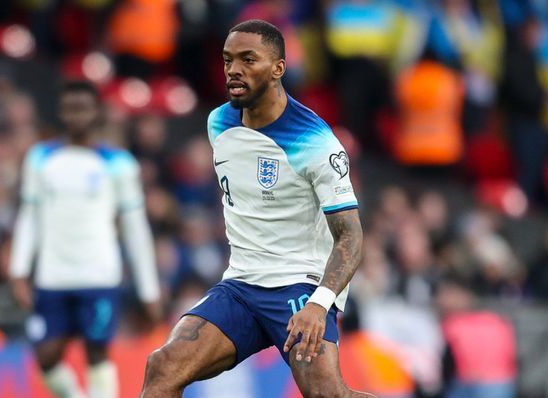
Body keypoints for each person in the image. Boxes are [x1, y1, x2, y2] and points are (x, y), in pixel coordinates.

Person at [141, 20, 374, 398]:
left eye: (249, 59)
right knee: (162, 366)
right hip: (241, 285)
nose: (234, 69)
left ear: (278, 68)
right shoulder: (218, 122)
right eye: (228, 60)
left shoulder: (316, 144)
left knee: (326, 394)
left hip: (301, 286)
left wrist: (319, 303)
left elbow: (351, 235)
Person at [9, 81, 161, 398]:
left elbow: (135, 229)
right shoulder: (40, 158)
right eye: (70, 108)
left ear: (96, 113)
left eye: (83, 107)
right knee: (46, 358)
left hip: (98, 274)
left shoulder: (118, 164)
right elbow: (29, 217)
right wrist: (19, 270)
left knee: (97, 353)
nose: (76, 115)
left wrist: (149, 290)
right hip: (53, 276)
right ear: (61, 112)